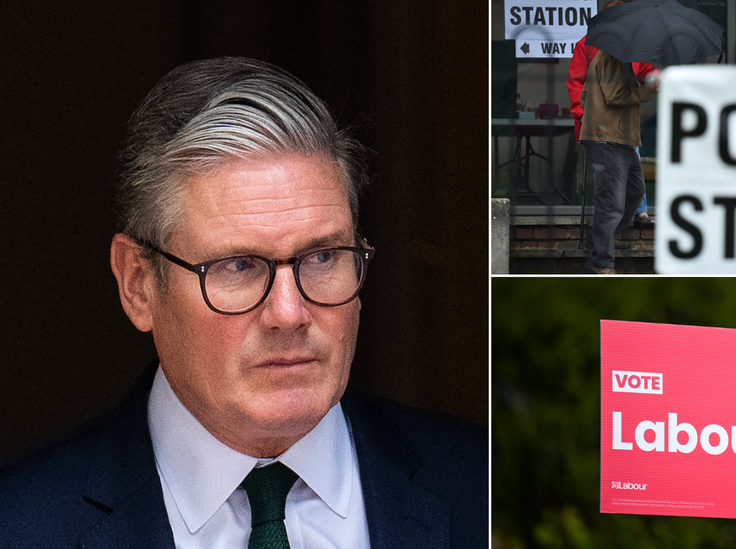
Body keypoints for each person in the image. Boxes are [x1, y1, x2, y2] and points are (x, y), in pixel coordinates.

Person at [0, 57, 485, 548]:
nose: (289, 314)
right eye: (238, 266)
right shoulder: (21, 525)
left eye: (322, 256)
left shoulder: (488, 491)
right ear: (138, 283)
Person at [567, 0, 657, 229]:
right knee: (607, 183)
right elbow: (577, 86)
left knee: (631, 174)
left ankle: (638, 213)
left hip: (625, 123)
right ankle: (610, 230)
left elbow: (646, 70)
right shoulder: (585, 45)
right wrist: (584, 117)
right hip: (600, 126)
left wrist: (655, 78)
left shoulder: (634, 47)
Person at [579, 49, 658, 274]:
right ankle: (601, 261)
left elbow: (585, 96)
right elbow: (615, 96)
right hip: (609, 140)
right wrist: (645, 91)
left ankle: (600, 239)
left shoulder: (616, 58)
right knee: (611, 203)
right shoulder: (612, 57)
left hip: (621, 139)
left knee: (636, 190)